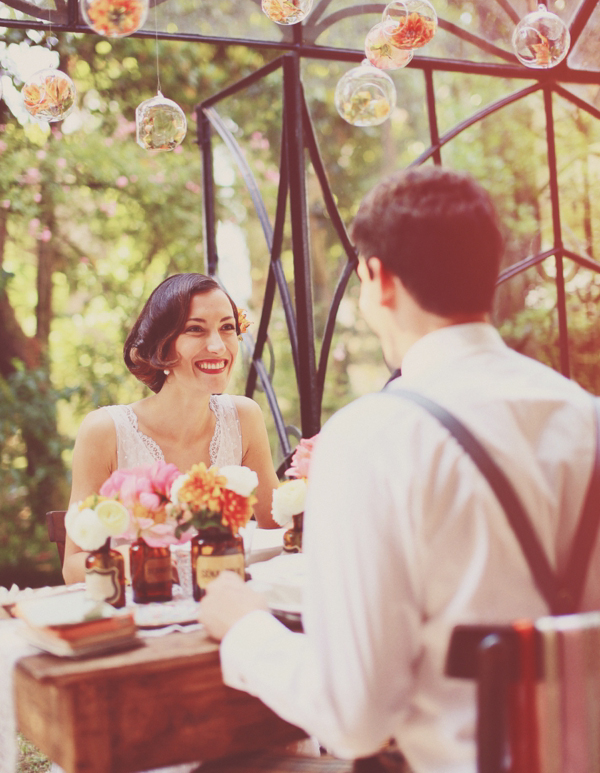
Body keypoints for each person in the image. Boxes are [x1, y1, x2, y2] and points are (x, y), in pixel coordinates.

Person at [198, 166, 600, 773]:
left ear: (378, 279)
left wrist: (245, 628)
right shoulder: (586, 417)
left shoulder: (374, 437)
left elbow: (355, 718)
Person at [63, 272, 280, 584]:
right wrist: (161, 561)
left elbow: (279, 529)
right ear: (162, 347)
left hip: (223, 610)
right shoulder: (105, 432)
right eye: (195, 329)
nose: (218, 346)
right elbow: (73, 567)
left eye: (227, 327)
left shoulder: (245, 417)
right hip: (143, 617)